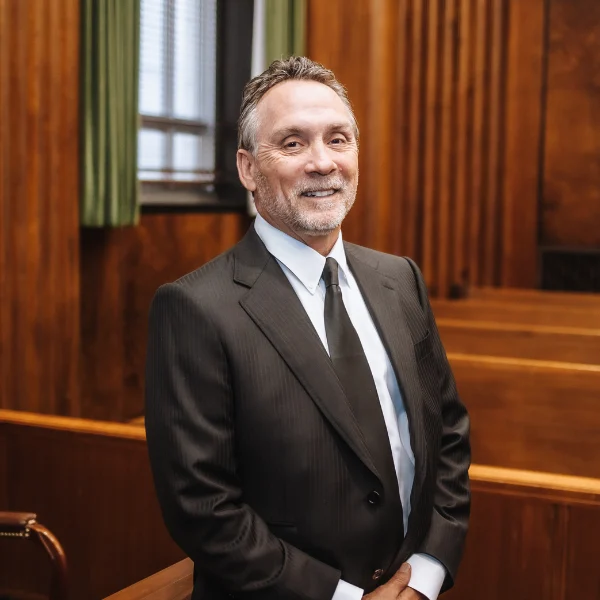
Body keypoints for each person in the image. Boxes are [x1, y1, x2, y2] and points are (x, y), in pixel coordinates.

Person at [145, 57, 470, 600]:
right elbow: (203, 506)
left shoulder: (400, 278)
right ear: (248, 169)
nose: (323, 163)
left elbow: (448, 433)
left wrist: (427, 574)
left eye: (338, 139)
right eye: (292, 144)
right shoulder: (195, 308)